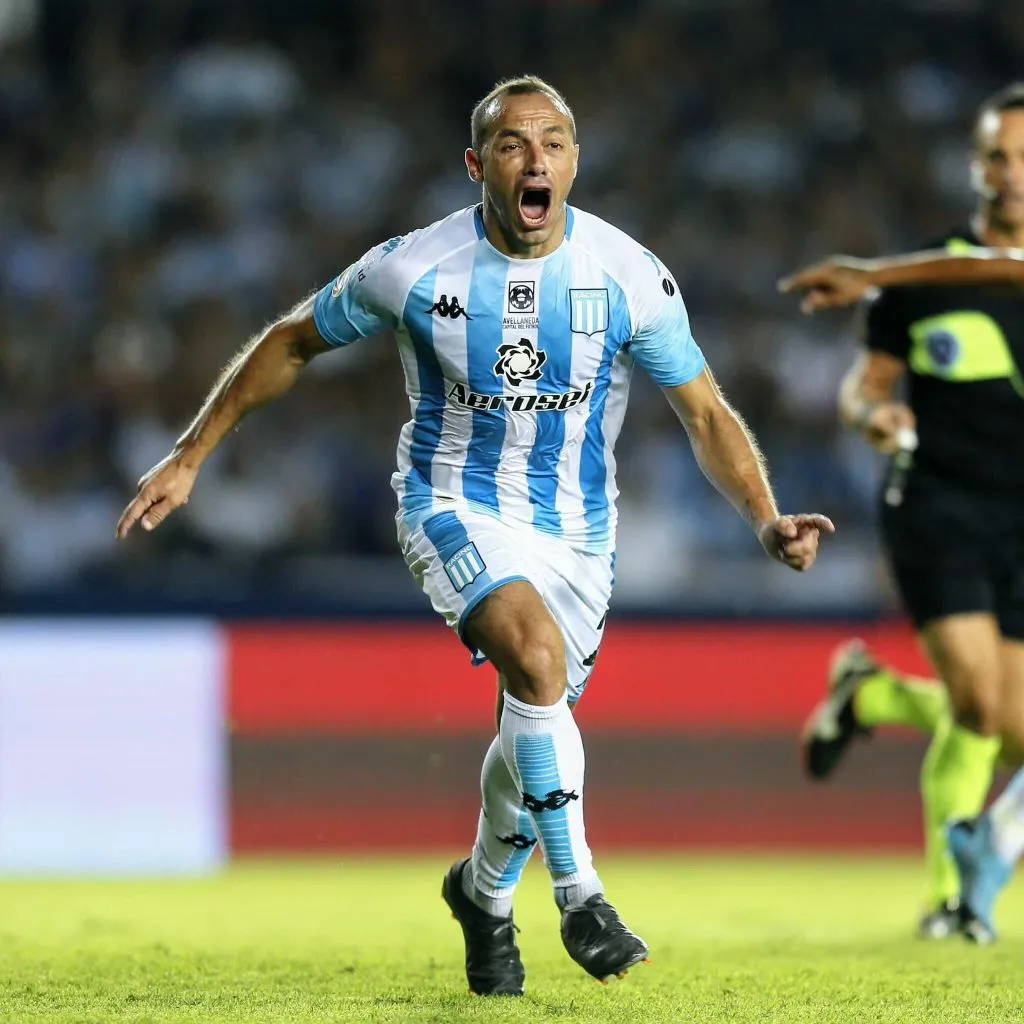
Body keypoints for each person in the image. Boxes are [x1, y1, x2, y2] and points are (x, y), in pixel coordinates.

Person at [117, 75, 833, 994]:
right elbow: (292, 341)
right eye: (512, 143)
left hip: (579, 535)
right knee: (534, 661)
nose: (536, 159)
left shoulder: (627, 275)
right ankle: (581, 896)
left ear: (574, 163)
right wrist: (190, 455)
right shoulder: (413, 269)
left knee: (536, 720)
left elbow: (704, 412)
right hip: (451, 504)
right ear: (476, 164)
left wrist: (766, 517)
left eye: (553, 143)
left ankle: (483, 894)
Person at [783, 82, 1024, 943]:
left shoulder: (922, 273)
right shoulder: (922, 283)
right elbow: (866, 385)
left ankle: (873, 695)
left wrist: (870, 271)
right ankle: (954, 904)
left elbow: (1001, 271)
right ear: (975, 166)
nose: (1014, 173)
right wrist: (873, 417)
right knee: (979, 707)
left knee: (1011, 731)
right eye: (998, 155)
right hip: (939, 504)